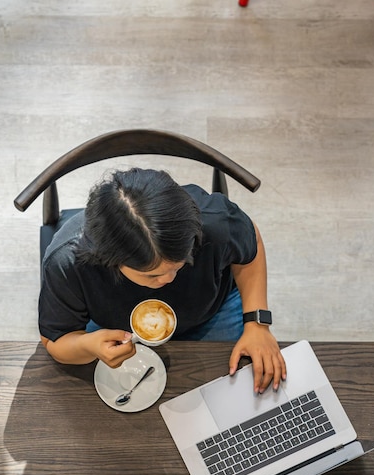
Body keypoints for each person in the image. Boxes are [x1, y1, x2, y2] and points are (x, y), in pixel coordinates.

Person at [39, 168, 286, 393]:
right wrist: (87, 345)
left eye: (181, 264)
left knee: (238, 391)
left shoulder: (213, 221)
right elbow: (56, 340)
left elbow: (250, 244)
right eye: (152, 275)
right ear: (109, 259)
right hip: (111, 325)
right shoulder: (69, 262)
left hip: (213, 311)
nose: (168, 280)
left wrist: (257, 324)